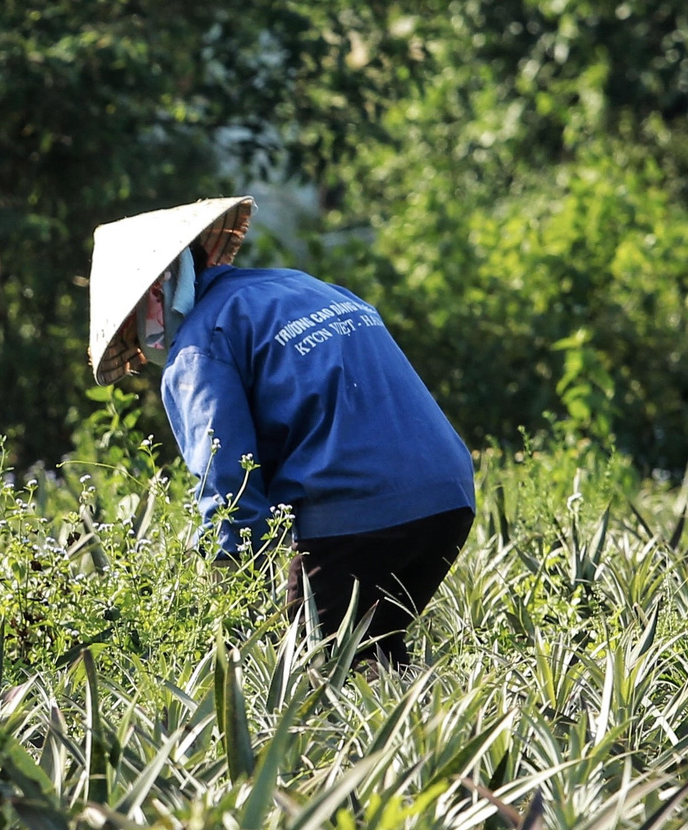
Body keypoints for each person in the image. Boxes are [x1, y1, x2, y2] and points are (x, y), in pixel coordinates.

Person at [86, 195, 475, 666]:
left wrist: (227, 600)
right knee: (370, 657)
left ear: (154, 296)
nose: (144, 344)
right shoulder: (302, 286)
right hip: (448, 498)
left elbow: (227, 479)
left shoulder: (199, 347)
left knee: (311, 678)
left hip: (357, 511)